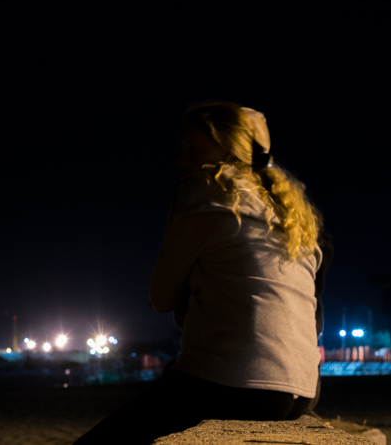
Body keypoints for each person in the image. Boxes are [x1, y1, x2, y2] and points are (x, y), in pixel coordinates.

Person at [74, 101, 331, 444]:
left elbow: (161, 298)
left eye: (192, 147)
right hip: (300, 390)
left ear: (226, 148)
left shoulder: (207, 193)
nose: (181, 159)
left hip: (237, 381)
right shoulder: (289, 213)